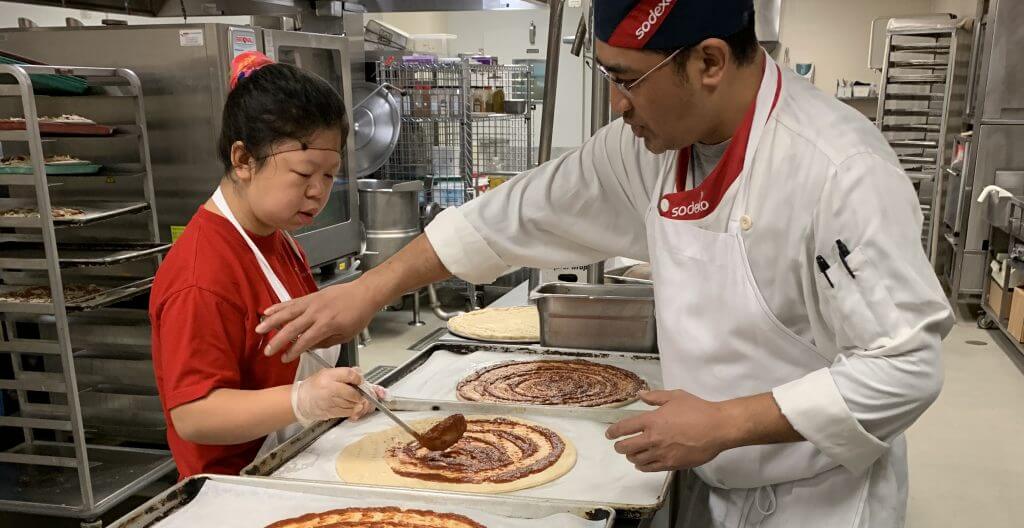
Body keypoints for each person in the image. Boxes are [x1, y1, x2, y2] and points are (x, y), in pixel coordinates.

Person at [256, 1, 954, 525]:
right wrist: (372, 288)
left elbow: (905, 367)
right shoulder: (646, 149)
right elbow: (515, 213)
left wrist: (727, 422)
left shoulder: (838, 170)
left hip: (818, 498)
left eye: (629, 80)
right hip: (703, 481)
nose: (617, 106)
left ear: (709, 62)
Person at [150, 51, 384, 479]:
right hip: (233, 487)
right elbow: (194, 414)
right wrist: (302, 400)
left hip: (289, 462)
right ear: (243, 161)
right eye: (303, 173)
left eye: (330, 175)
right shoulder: (202, 275)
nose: (318, 192)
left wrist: (338, 392)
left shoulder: (277, 238)